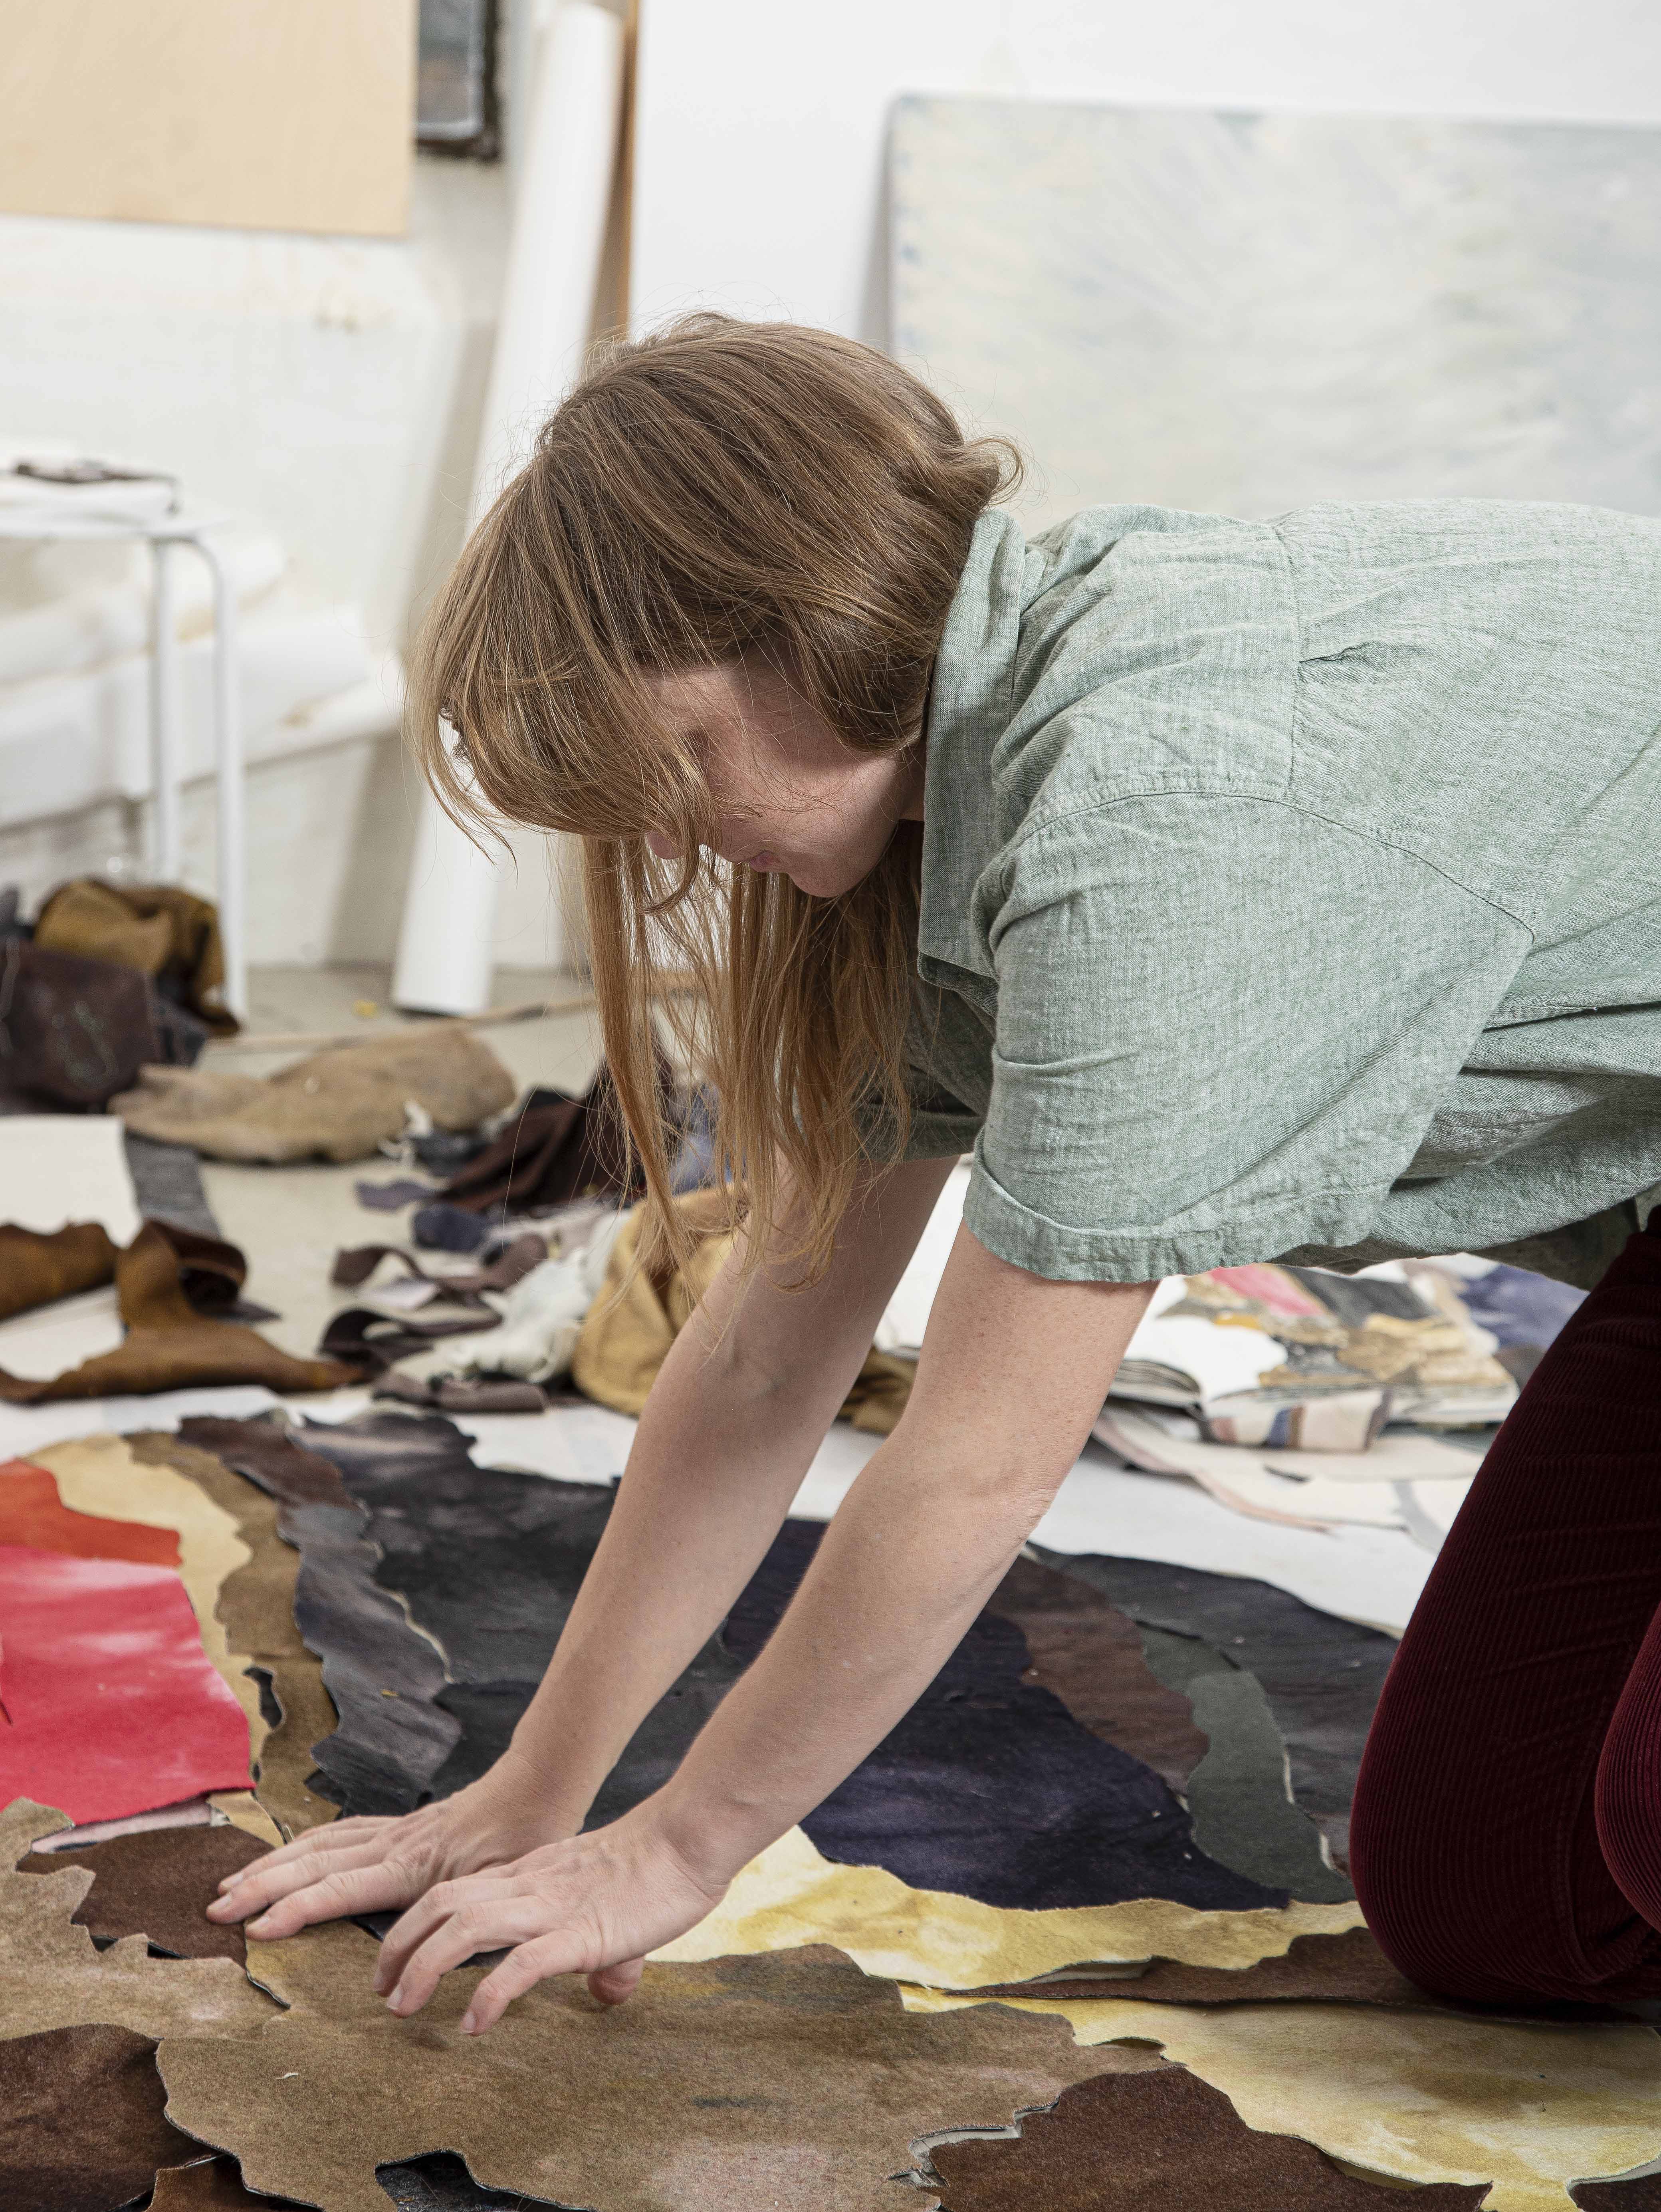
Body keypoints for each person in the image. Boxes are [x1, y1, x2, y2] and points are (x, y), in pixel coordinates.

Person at [210, 315, 1661, 2031]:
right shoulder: (922, 822)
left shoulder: (1149, 814)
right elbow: (761, 1360)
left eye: (672, 763)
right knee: (1500, 1907)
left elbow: (974, 1463)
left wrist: (675, 1853)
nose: (668, 841)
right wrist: (528, 1796)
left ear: (802, 624)